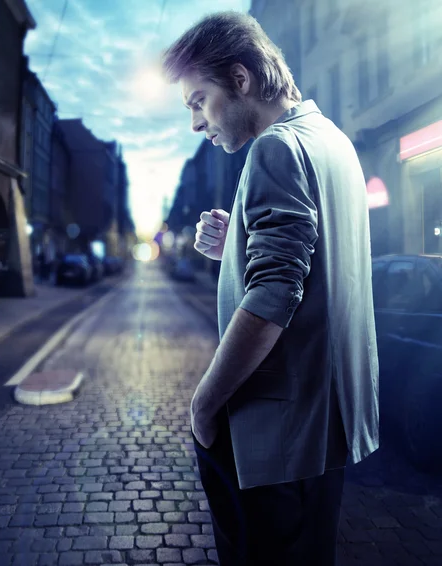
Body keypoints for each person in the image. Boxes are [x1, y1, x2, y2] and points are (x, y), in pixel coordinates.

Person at [161, 11, 379, 566]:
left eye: (196, 100)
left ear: (240, 79)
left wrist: (204, 403)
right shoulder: (334, 142)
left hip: (274, 431)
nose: (195, 122)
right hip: (327, 428)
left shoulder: (273, 149)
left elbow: (276, 291)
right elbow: (319, 266)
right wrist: (235, 242)